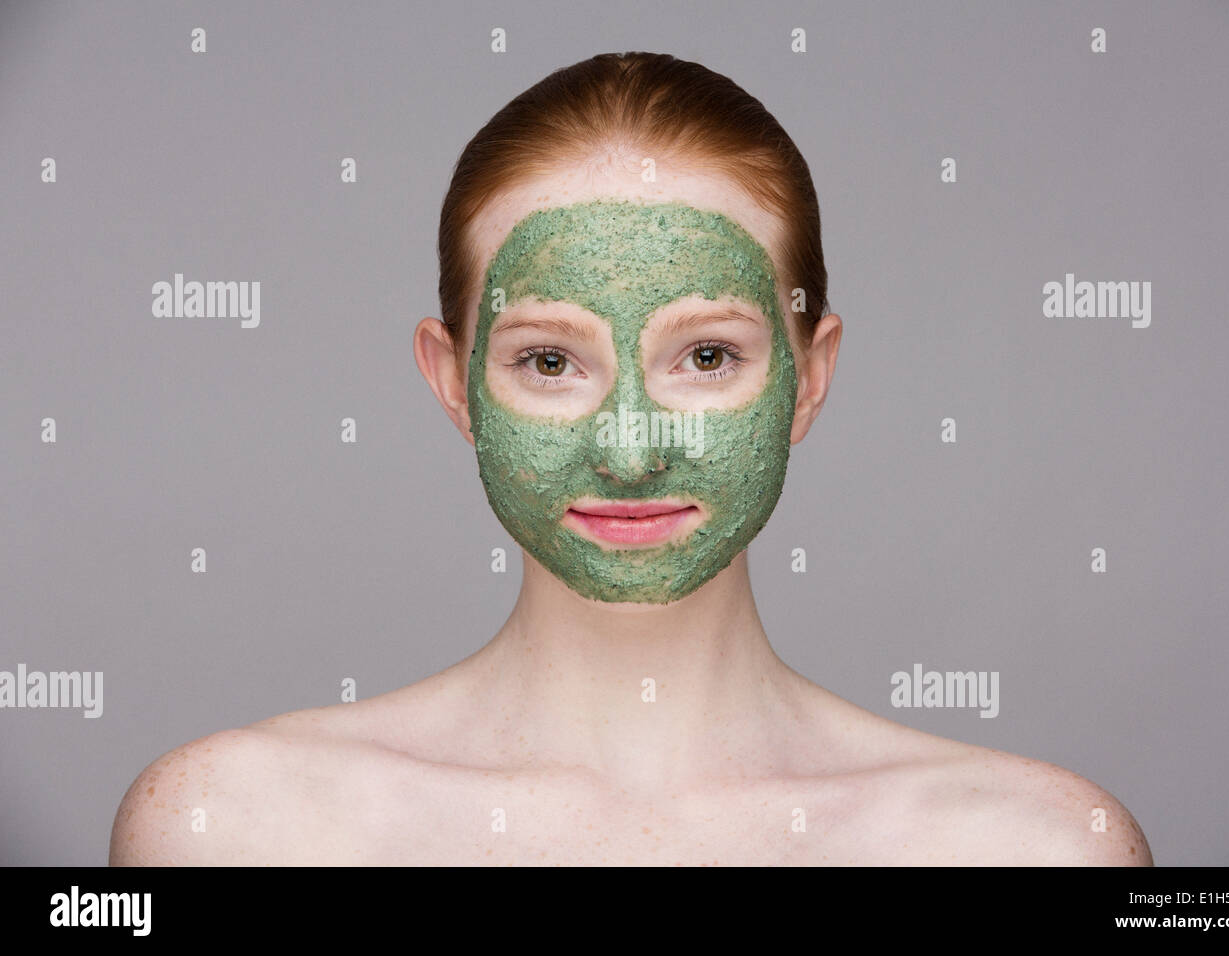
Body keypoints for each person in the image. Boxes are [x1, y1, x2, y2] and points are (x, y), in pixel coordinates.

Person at [110, 52, 1152, 865]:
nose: (629, 448)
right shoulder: (229, 830)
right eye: (551, 359)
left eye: (705, 355)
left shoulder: (1034, 847)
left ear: (810, 373)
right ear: (452, 380)